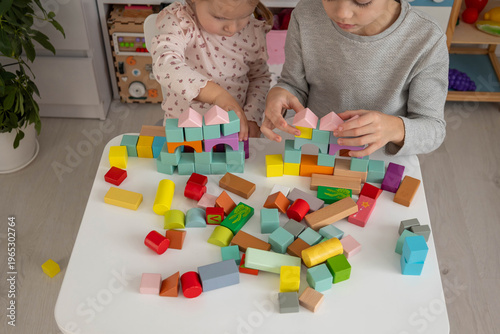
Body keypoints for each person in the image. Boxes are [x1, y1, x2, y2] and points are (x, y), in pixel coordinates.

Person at [261, 0, 448, 157]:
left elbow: (433, 129)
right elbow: (293, 85)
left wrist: (394, 128)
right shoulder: (306, 14)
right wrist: (280, 92)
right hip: (315, 151)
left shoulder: (427, 38)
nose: (342, 13)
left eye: (362, 0)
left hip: (379, 161)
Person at [151, 0, 273, 141]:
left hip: (233, 132)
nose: (232, 28)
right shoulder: (180, 20)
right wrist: (217, 95)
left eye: (244, 16)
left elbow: (259, 78)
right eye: (220, 18)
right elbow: (165, 65)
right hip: (183, 130)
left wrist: (252, 116)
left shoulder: (253, 31)